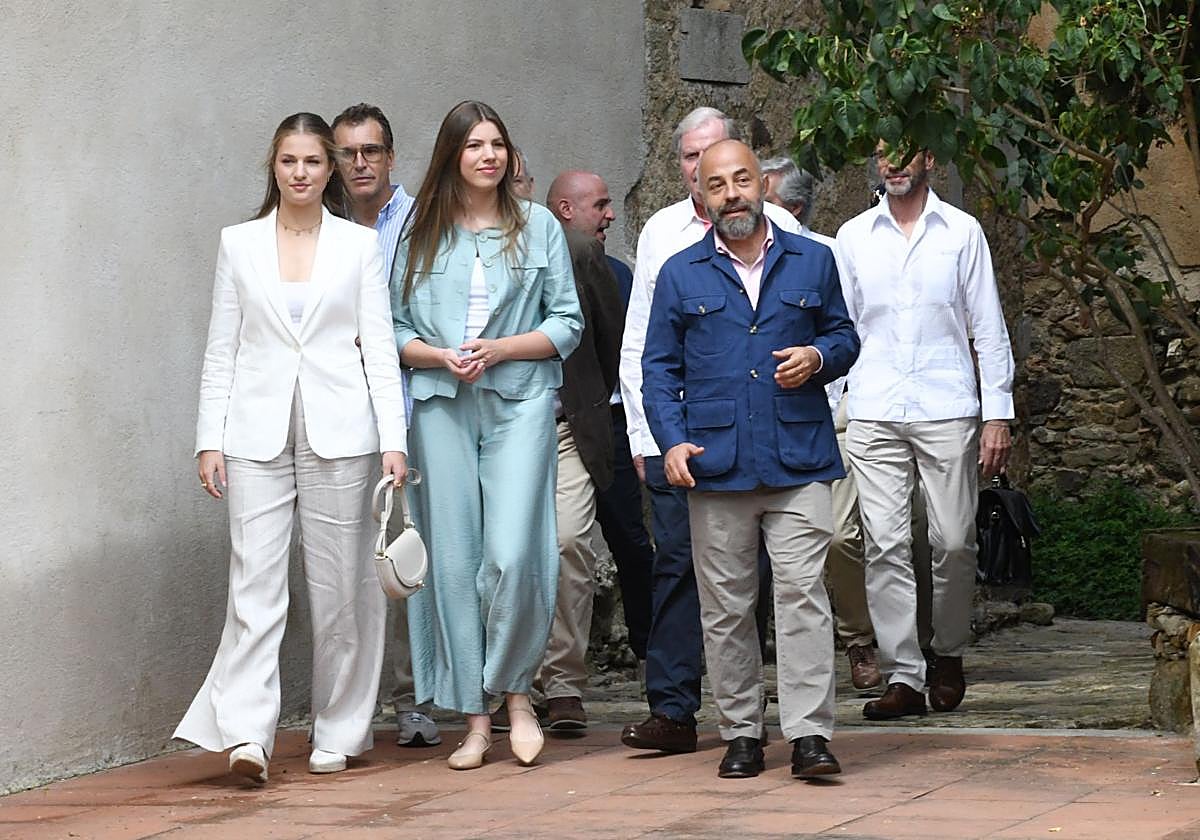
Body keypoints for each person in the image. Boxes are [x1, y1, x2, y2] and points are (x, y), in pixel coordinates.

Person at [176, 112, 409, 783]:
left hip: (344, 431)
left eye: (313, 161)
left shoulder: (357, 246)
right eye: (288, 161)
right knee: (254, 585)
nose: (300, 173)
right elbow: (222, 348)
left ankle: (339, 729)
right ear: (273, 167)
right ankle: (248, 733)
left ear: (329, 169)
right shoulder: (238, 243)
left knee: (343, 590)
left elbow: (379, 348)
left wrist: (393, 439)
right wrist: (208, 440)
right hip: (254, 432)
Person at [642, 138, 859, 778]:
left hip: (798, 458)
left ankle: (810, 736)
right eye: (717, 184)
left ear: (763, 185)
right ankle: (740, 731)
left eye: (742, 179)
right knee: (728, 606)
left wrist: (819, 358)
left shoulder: (813, 261)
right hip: (717, 461)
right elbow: (658, 368)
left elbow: (844, 335)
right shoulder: (680, 273)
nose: (732, 192)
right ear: (701, 197)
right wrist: (671, 439)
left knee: (801, 597)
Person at [391, 100, 583, 770]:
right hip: (442, 405)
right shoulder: (422, 231)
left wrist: (501, 349)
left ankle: (517, 693)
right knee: (454, 563)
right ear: (453, 155)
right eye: (473, 144)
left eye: (497, 143)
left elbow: (567, 323)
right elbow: (390, 328)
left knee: (514, 555)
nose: (488, 155)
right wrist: (439, 356)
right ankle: (476, 718)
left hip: (520, 403)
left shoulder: (538, 228)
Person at [618, 107, 806, 753]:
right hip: (680, 438)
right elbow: (642, 342)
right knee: (678, 567)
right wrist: (651, 438)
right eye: (693, 159)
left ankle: (754, 718)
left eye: (719, 157)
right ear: (685, 173)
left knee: (755, 578)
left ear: (752, 170)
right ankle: (673, 709)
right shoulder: (662, 235)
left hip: (768, 442)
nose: (707, 171)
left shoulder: (786, 237)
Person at [834, 144, 1014, 720]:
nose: (891, 165)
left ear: (929, 159)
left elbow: (987, 325)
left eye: (903, 154)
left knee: (954, 541)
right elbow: (841, 325)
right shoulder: (854, 236)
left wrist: (997, 413)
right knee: (884, 544)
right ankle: (905, 675)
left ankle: (949, 651)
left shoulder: (961, 232)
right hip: (874, 405)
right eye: (881, 154)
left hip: (945, 403)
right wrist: (839, 406)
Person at [330, 103, 440, 749]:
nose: (360, 163)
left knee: (414, 554)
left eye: (371, 150)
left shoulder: (424, 221)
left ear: (391, 156)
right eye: (348, 152)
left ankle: (418, 699)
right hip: (347, 412)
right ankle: (361, 702)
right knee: (355, 561)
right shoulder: (324, 227)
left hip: (418, 404)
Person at [761, 155, 882, 691]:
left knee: (837, 537)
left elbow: (848, 334)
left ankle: (858, 640)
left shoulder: (827, 255)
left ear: (794, 207)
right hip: (762, 424)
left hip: (831, 415)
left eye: (764, 196)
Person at [546, 170, 654, 681]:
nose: (611, 214)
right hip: (551, 420)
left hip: (607, 421)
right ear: (567, 211)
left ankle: (650, 647)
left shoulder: (617, 272)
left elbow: (628, 352)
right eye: (601, 205)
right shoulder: (536, 264)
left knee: (630, 541)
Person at [533, 228, 623, 731]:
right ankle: (513, 681)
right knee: (507, 554)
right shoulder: (460, 244)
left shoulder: (576, 251)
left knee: (570, 541)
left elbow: (611, 336)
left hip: (565, 426)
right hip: (498, 429)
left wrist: (589, 402)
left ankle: (564, 681)